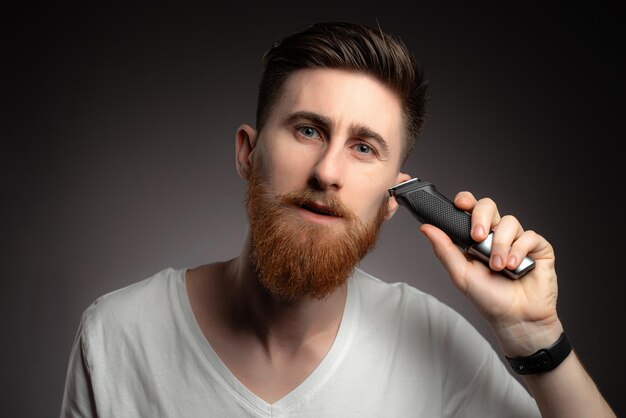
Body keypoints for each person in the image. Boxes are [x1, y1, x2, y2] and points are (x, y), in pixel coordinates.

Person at [60, 21, 616, 417]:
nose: (328, 172)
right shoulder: (114, 338)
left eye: (365, 148)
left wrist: (535, 336)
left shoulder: (434, 343)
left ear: (395, 197)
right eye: (308, 130)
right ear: (247, 153)